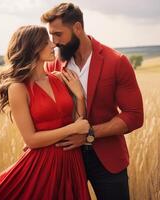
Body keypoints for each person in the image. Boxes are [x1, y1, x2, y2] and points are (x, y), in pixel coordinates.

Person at [0, 25, 92, 200]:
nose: (53, 46)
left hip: (72, 162)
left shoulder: (59, 78)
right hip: (42, 167)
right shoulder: (18, 88)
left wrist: (80, 97)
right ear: (32, 47)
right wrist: (72, 129)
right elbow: (31, 140)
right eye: (46, 42)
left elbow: (79, 123)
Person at [41, 3, 144, 200]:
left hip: (108, 160)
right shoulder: (52, 63)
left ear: (77, 28)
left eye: (58, 34)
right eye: (51, 35)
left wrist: (88, 134)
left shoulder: (116, 61)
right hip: (64, 158)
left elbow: (134, 116)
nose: (53, 42)